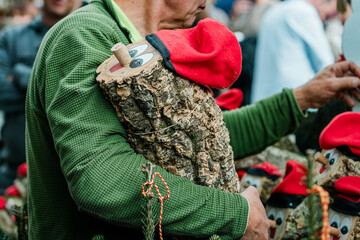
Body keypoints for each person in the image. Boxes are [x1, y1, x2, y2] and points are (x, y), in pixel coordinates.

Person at [25, 0, 360, 239]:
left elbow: (203, 141)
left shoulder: (141, 41)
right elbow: (103, 179)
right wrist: (235, 214)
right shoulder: (83, 37)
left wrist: (301, 98)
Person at [0, 0, 83, 194]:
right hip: (13, 170)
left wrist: (20, 74)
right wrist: (58, 91)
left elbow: (80, 96)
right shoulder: (12, 37)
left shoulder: (87, 36)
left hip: (68, 175)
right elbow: (2, 94)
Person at [251, 0, 335, 103]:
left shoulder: (272, 12)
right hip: (295, 101)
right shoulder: (304, 11)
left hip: (263, 102)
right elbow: (325, 63)